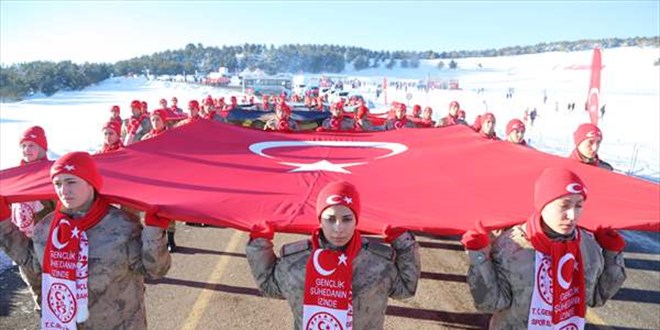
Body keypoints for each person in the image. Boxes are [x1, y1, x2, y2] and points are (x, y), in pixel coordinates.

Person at [0, 151, 171, 329]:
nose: (63, 190)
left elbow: (155, 270)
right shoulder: (46, 229)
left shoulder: (122, 227)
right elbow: (31, 262)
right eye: (57, 183)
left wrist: (153, 231)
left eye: (71, 182)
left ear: (91, 183)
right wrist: (3, 222)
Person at [462, 167, 626, 329]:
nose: (572, 216)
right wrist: (479, 257)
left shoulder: (588, 247)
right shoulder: (511, 246)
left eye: (579, 205)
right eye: (564, 205)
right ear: (543, 205)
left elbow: (597, 297)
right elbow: (490, 303)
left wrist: (612, 254)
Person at [246, 181, 421, 329]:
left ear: (356, 220)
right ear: (319, 219)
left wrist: (404, 243)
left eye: (347, 219)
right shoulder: (295, 261)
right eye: (330, 219)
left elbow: (405, 290)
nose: (339, 228)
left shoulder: (378, 262)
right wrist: (259, 244)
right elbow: (269, 288)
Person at [9, 126, 57, 310]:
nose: (27, 150)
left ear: (43, 148)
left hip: (46, 239)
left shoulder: (51, 172)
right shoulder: (16, 174)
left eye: (32, 145)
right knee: (31, 277)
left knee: (50, 278)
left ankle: (57, 312)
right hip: (21, 237)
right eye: (24, 145)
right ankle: (42, 309)